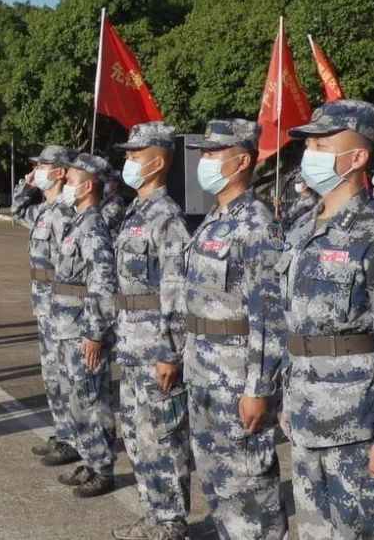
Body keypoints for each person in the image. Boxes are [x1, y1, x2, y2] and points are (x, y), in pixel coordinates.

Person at [279, 100, 374, 539]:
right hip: (307, 417)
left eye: (324, 144)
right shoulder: (303, 228)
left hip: (357, 427)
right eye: (310, 145)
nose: (312, 153)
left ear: (358, 157)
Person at [183, 119, 288, 539]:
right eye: (204, 154)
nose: (204, 162)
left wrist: (259, 387)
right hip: (205, 373)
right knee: (219, 484)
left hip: (237, 380)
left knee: (250, 487)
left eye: (213, 154)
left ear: (242, 160)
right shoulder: (214, 220)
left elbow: (269, 315)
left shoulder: (257, 225)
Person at [110, 122, 193, 540]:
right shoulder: (135, 213)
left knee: (164, 437)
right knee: (138, 438)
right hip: (131, 345)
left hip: (155, 350)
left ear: (157, 161)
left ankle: (172, 521)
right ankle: (152, 512)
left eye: (134, 155)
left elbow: (175, 292)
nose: (127, 162)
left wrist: (170, 351)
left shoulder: (167, 218)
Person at [49, 153, 118, 498]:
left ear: (87, 186)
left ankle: (103, 468)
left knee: (92, 400)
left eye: (71, 181)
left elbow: (103, 283)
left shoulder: (93, 226)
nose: (65, 186)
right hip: (65, 327)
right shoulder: (76, 222)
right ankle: (90, 459)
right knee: (76, 399)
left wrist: (94, 333)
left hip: (82, 331)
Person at [12, 144, 81, 466]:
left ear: (61, 171)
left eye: (43, 166)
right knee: (52, 374)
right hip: (43, 302)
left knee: (69, 375)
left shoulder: (69, 212)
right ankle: (63, 429)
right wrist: (25, 184)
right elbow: (17, 211)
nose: (37, 170)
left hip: (63, 303)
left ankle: (76, 438)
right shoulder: (44, 209)